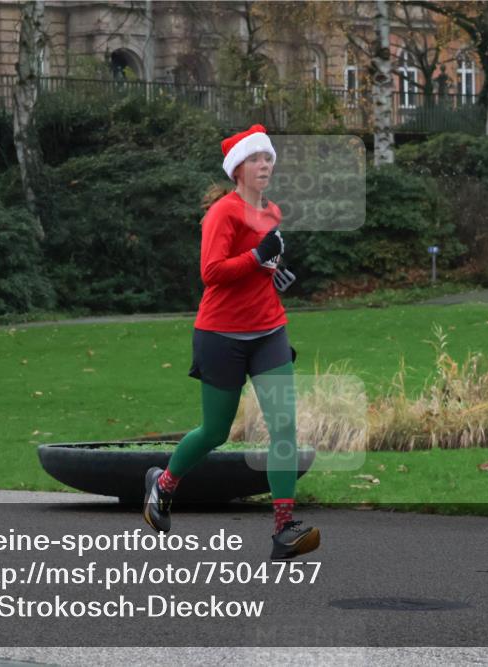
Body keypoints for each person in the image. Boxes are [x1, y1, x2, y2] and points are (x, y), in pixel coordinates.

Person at [143, 125, 319, 560]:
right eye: (257, 159)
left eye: (269, 159)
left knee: (283, 427)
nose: (266, 166)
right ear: (238, 168)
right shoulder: (222, 214)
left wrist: (272, 270)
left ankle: (284, 528)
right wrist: (258, 257)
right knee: (215, 431)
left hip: (269, 331)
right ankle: (163, 485)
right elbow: (212, 272)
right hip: (221, 334)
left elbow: (261, 264)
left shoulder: (272, 213)